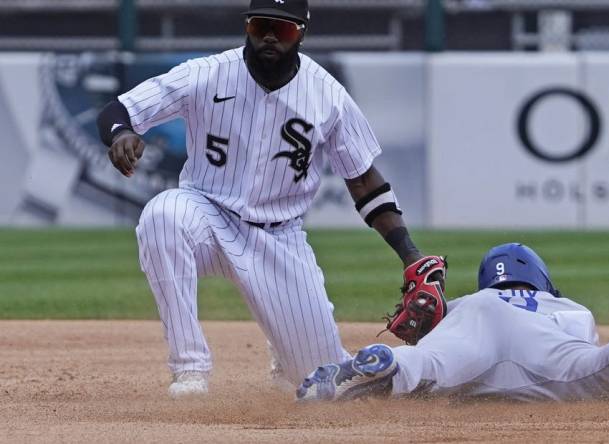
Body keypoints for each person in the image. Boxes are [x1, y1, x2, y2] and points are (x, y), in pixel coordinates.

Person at [96, 0, 436, 398]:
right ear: (247, 27)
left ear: (302, 33)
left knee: (322, 381)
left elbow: (363, 181)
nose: (271, 36)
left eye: (285, 29)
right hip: (206, 216)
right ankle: (190, 370)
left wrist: (410, 254)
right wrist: (121, 133)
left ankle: (291, 345)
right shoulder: (207, 74)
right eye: (261, 26)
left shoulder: (327, 95)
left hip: (279, 239)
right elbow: (119, 109)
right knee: (161, 215)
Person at [296, 243, 609, 403]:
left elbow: (436, 340)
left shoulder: (469, 302)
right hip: (546, 352)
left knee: (428, 366)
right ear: (540, 278)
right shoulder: (569, 306)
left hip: (475, 330)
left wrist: (424, 344)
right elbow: (583, 348)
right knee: (603, 364)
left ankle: (385, 362)